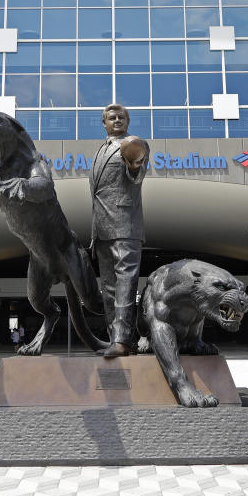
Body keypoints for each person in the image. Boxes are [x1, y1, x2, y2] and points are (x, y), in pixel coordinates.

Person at [88, 103, 149, 357]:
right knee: (109, 289)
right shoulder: (101, 150)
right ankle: (118, 339)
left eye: (121, 117)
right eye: (111, 117)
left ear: (128, 121)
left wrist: (134, 164)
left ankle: (123, 339)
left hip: (125, 223)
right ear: (104, 123)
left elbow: (136, 174)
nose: (116, 120)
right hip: (101, 229)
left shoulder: (133, 143)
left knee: (125, 283)